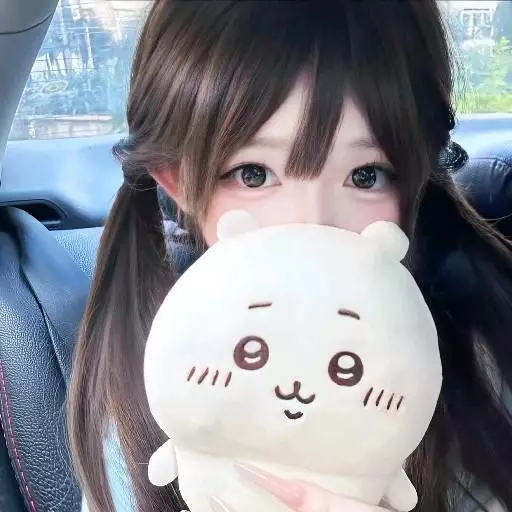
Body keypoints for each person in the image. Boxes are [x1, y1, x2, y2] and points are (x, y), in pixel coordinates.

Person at [67, 1, 512, 511]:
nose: (313, 225)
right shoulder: (151, 402)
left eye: (366, 175)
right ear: (179, 183)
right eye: (253, 174)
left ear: (415, 178)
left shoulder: (483, 366)